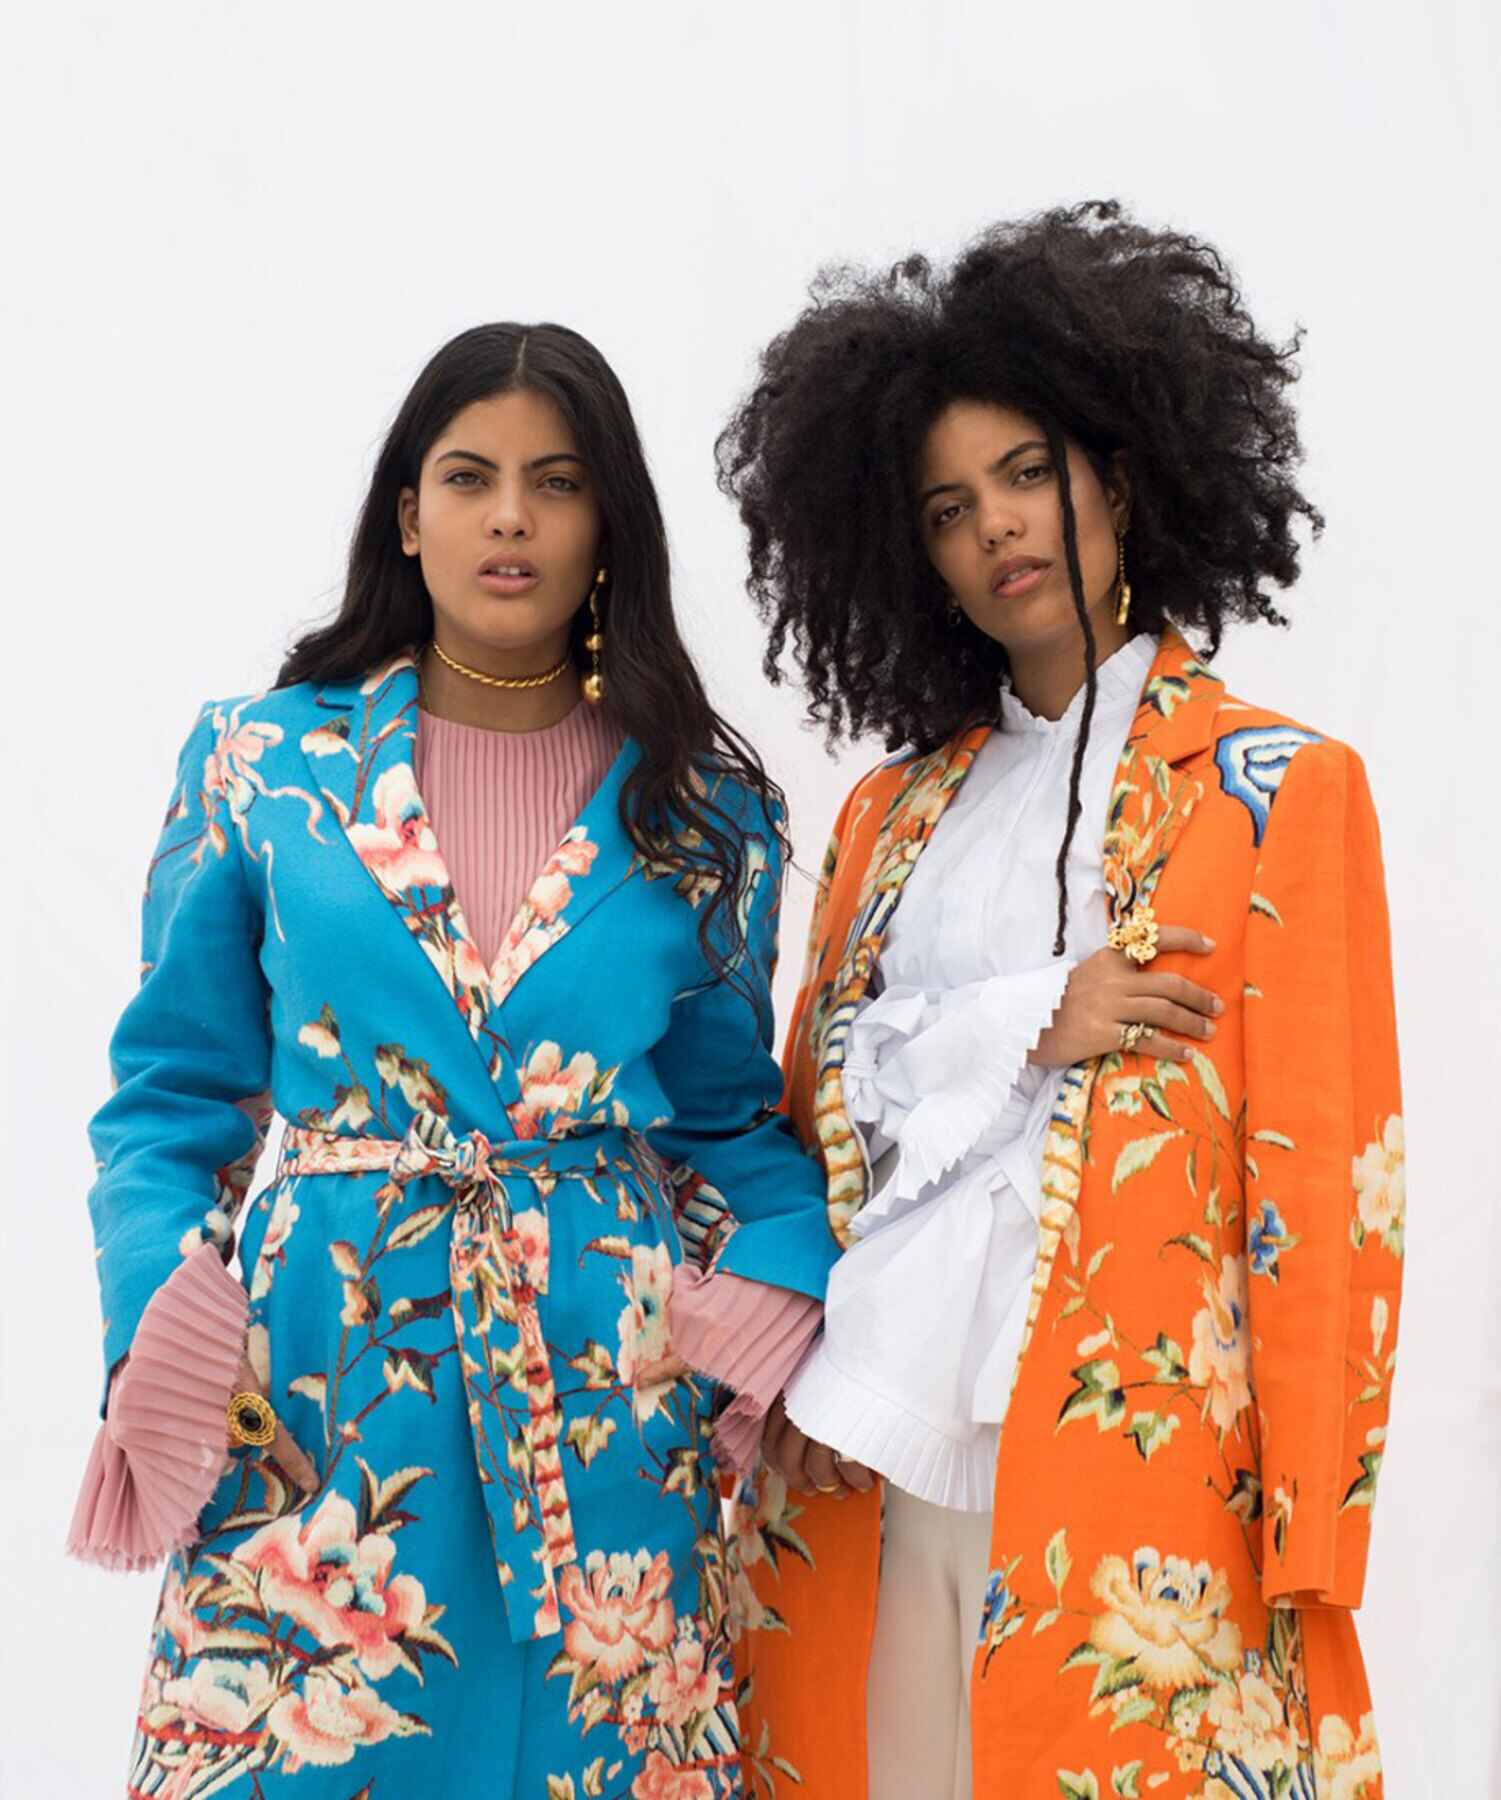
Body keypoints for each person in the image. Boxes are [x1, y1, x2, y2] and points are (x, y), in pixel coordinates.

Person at [68, 321, 834, 1797]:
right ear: (407, 515)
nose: (509, 518)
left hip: (608, 1417)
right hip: (316, 1394)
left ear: (607, 526)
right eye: (469, 477)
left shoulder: (705, 812)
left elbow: (731, 1127)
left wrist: (754, 1316)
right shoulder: (260, 766)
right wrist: (175, 1331)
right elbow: (170, 1099)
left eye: (556, 483)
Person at [717, 202, 1404, 1800]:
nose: (997, 531)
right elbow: (815, 1107)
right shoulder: (887, 816)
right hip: (877, 1458)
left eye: (1026, 474)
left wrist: (1311, 1519)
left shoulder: (1272, 789)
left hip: (1147, 1476)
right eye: (947, 508)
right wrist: (1031, 1015)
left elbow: (1329, 1179)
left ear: (1117, 474)